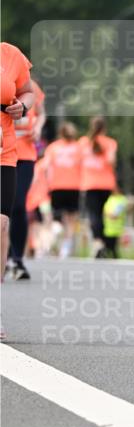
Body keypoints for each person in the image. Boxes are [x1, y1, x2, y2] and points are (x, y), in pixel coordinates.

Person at [1, 41, 35, 338]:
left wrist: (21, 106)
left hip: (5, 153)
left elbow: (28, 91)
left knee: (0, 224)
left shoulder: (10, 54)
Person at [8, 78, 46, 279]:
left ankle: (17, 260)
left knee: (18, 205)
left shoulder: (30, 86)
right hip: (3, 152)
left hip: (25, 155)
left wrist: (38, 128)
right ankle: (3, 257)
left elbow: (41, 113)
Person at [79, 116, 117, 258]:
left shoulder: (83, 142)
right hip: (106, 183)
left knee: (94, 214)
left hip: (89, 183)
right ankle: (103, 244)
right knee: (101, 214)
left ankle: (98, 243)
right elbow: (111, 161)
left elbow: (78, 162)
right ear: (105, 128)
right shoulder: (110, 143)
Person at [42, 122, 82, 258]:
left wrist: (48, 183)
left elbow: (46, 167)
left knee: (57, 218)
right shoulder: (78, 148)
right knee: (71, 219)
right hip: (73, 186)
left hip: (56, 186)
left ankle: (55, 234)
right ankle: (65, 248)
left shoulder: (53, 148)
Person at [102, 186, 128, 258]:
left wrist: (108, 214)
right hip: (107, 228)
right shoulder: (109, 198)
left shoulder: (122, 199)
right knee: (108, 247)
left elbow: (115, 214)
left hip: (117, 229)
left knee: (113, 248)